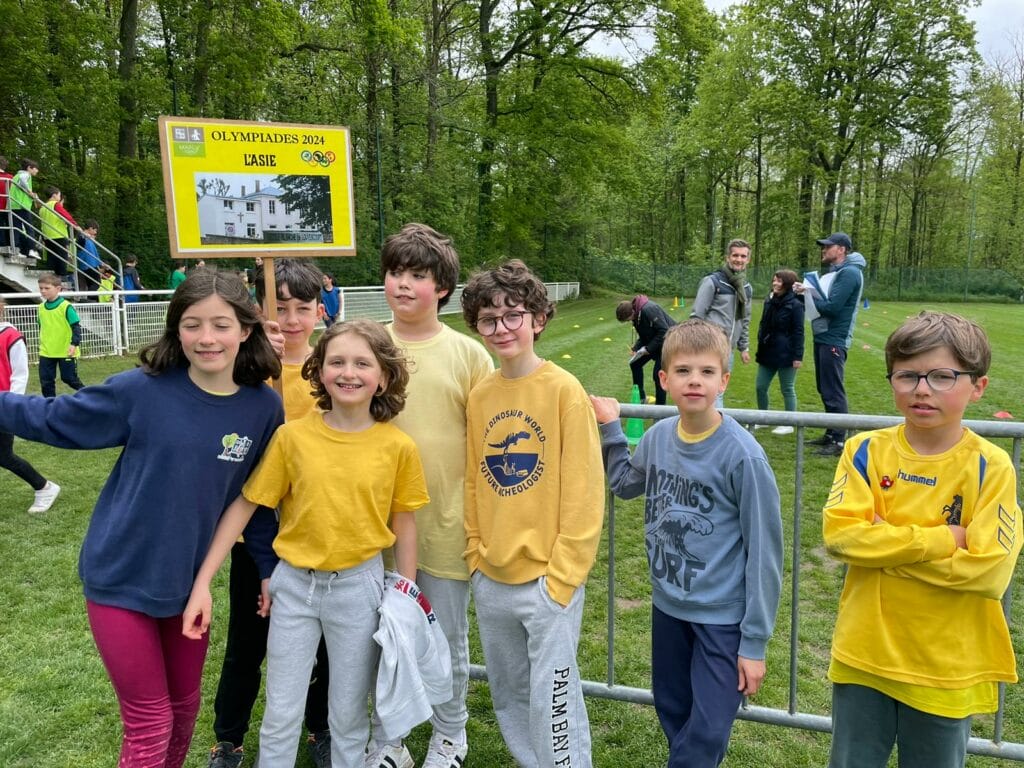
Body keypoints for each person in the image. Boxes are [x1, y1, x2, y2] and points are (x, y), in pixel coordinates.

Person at [0, 269, 284, 767]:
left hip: (187, 586)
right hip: (120, 577)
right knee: (150, 721)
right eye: (192, 324)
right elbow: (52, 419)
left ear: (245, 329)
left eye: (221, 324)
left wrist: (266, 567)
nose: (207, 338)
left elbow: (255, 498)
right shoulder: (141, 391)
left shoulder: (263, 408)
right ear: (177, 330)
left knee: (184, 710)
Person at [183, 319, 428, 768]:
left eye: (362, 363)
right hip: (294, 587)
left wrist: (405, 597)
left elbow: (405, 523)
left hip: (359, 589)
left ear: (384, 377)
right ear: (319, 370)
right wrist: (204, 580)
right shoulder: (291, 437)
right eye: (337, 362)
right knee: (281, 712)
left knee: (348, 715)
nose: (348, 373)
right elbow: (247, 504)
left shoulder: (398, 447)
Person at [822, 311, 1022, 768]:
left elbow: (989, 573)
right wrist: (945, 539)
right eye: (907, 375)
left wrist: (881, 545)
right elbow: (841, 537)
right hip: (864, 655)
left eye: (942, 376)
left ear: (978, 386)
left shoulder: (991, 467)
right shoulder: (864, 450)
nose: (922, 389)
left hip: (945, 667)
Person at [591, 318, 784, 768]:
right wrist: (612, 430)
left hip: (722, 618)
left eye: (706, 371)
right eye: (682, 371)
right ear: (663, 379)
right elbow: (624, 484)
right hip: (669, 608)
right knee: (674, 710)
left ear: (724, 381)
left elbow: (765, 553)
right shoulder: (658, 438)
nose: (694, 380)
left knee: (709, 727)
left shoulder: (743, 456)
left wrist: (754, 642)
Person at [461, 259, 604, 768]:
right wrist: (475, 556)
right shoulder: (481, 396)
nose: (501, 328)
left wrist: (562, 577)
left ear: (538, 319)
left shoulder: (564, 391)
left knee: (554, 699)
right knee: (510, 695)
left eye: (513, 315)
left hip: (548, 581)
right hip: (492, 577)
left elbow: (585, 491)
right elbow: (474, 480)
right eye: (488, 319)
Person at [367, 223, 493, 768]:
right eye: (395, 272)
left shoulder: (468, 355)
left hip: (444, 522)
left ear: (441, 287)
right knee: (381, 636)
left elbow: (491, 436)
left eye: (417, 275)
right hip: (373, 525)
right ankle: (388, 739)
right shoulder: (366, 345)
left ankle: (450, 734)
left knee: (445, 638)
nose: (402, 284)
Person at [206, 258, 332, 768]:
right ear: (259, 310)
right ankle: (229, 739)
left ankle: (321, 728)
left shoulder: (333, 370)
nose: (292, 319)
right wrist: (256, 364)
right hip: (253, 535)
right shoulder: (242, 371)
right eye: (280, 307)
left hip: (317, 531)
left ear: (320, 311)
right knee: (247, 642)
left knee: (323, 646)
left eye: (303, 307)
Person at [792, 232, 866, 456]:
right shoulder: (838, 272)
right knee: (825, 387)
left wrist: (808, 293)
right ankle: (831, 433)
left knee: (833, 390)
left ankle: (839, 441)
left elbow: (832, 307)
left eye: (828, 246)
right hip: (824, 336)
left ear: (841, 249)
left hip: (834, 338)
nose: (823, 250)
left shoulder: (849, 273)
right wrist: (803, 294)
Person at [0, 293, 61, 513]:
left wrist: (10, 404)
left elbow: (20, 374)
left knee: (3, 455)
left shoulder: (11, 336)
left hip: (3, 404)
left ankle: (44, 487)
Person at [689, 239, 753, 406]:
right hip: (708, 346)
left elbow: (744, 319)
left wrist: (744, 347)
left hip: (728, 349)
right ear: (727, 257)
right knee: (708, 390)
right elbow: (696, 316)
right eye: (735, 255)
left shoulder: (746, 287)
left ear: (748, 260)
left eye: (743, 256)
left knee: (718, 390)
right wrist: (697, 345)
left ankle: (709, 420)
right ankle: (712, 420)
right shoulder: (713, 281)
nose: (739, 259)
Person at [754, 269, 804, 434]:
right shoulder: (769, 301)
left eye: (779, 281)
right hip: (767, 351)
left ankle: (789, 423)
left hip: (787, 353)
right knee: (760, 386)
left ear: (787, 284)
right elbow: (763, 323)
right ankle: (763, 419)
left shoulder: (795, 305)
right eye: (774, 280)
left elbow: (798, 332)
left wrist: (798, 356)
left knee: (787, 388)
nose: (775, 283)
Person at [616, 294, 676, 405]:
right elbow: (644, 336)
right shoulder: (636, 316)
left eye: (628, 319)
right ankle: (641, 398)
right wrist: (636, 348)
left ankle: (660, 408)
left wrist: (648, 349)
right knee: (635, 363)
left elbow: (664, 331)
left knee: (658, 374)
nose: (629, 321)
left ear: (632, 312)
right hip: (656, 342)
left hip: (669, 343)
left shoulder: (649, 310)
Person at [36, 272, 85, 397]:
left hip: (66, 351)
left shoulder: (66, 307)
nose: (43, 291)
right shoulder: (41, 308)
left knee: (69, 378)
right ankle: (49, 404)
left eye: (47, 288)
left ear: (58, 289)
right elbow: (42, 327)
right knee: (46, 381)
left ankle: (91, 396)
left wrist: (74, 344)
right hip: (46, 352)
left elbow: (76, 327)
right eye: (41, 288)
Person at [9, 158, 41, 259]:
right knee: (29, 228)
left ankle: (16, 249)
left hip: (13, 205)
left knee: (16, 229)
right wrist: (30, 192)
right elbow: (23, 180)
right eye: (35, 168)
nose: (37, 171)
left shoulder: (15, 176)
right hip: (22, 206)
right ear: (29, 168)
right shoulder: (26, 174)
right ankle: (32, 249)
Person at [40, 186, 73, 278]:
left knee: (51, 260)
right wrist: (75, 225)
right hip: (59, 235)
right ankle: (62, 279)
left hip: (47, 236)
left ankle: (50, 280)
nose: (59, 197)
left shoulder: (43, 207)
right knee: (62, 260)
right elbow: (66, 215)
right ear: (54, 195)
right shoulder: (55, 204)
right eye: (59, 195)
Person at [77, 220, 103, 294]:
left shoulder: (89, 239)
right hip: (88, 265)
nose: (96, 233)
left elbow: (94, 254)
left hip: (90, 265)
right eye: (95, 230)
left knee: (93, 284)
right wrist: (83, 234)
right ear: (90, 228)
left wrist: (101, 264)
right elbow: (80, 242)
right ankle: (90, 297)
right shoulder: (82, 238)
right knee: (96, 283)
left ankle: (92, 299)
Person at [0, 156, 13, 253]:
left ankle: (2, 244)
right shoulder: (11, 178)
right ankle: (10, 244)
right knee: (9, 225)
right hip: (9, 206)